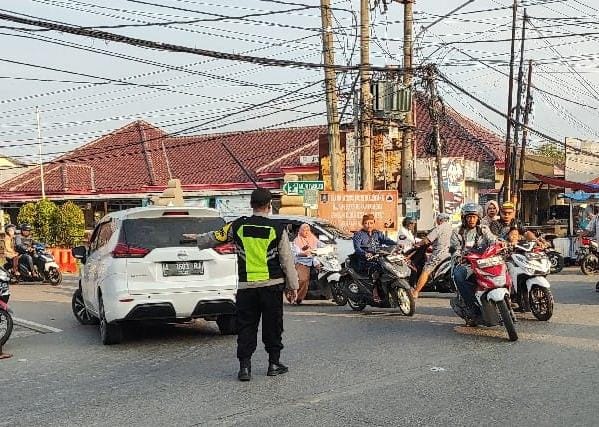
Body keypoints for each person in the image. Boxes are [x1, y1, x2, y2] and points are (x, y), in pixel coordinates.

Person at [184, 188, 299, 382]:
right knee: (273, 326)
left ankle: (244, 367)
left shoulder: (237, 225)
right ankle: (274, 364)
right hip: (272, 286)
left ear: (251, 205)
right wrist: (292, 286)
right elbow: (287, 260)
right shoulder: (277, 228)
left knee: (246, 326)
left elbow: (216, 237)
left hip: (246, 288)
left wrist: (197, 238)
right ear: (269, 206)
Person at [450, 203, 498, 323]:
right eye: (469, 217)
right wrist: (459, 256)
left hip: (484, 262)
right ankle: (471, 305)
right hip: (466, 264)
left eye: (474, 217)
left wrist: (501, 245)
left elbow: (493, 240)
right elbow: (455, 248)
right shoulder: (457, 231)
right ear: (464, 218)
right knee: (458, 276)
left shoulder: (484, 229)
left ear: (478, 218)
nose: (471, 219)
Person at [352, 214, 396, 302]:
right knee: (375, 270)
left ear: (374, 223)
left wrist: (396, 244)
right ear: (363, 224)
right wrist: (365, 254)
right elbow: (357, 248)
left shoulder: (377, 233)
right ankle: (375, 292)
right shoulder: (358, 235)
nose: (369, 225)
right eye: (366, 223)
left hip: (378, 258)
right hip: (364, 260)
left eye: (371, 223)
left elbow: (387, 241)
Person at [411, 212, 453, 299]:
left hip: (439, 253)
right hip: (449, 254)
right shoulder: (451, 228)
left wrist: (418, 244)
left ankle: (416, 292)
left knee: (426, 270)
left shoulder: (439, 228)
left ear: (439, 220)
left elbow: (427, 240)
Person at [292, 223, 324, 304]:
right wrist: (305, 253)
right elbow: (297, 253)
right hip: (302, 261)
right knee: (303, 280)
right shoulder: (297, 240)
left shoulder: (313, 238)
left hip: (314, 260)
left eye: (308, 230)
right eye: (304, 230)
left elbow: (321, 245)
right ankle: (296, 297)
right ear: (300, 231)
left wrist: (328, 247)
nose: (306, 232)